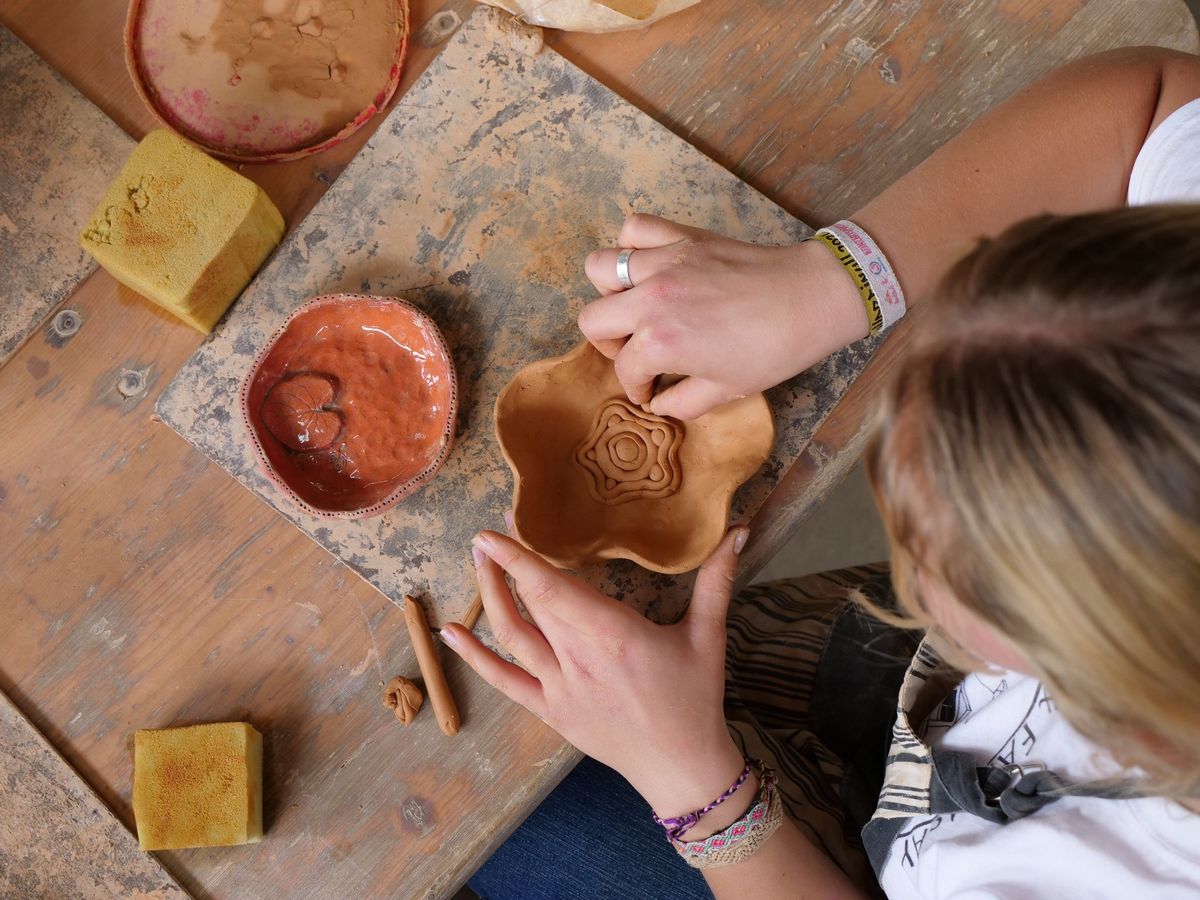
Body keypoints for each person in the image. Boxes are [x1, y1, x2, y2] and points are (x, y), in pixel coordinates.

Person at [439, 46, 1200, 899]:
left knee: (514, 802)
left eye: (933, 556)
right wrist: (834, 283)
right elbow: (1165, 95)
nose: (902, 555)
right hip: (929, 704)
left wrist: (703, 795)